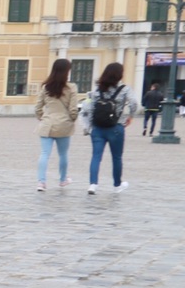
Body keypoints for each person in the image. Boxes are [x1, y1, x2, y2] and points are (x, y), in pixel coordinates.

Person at [31, 57, 78, 192]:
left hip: (47, 123)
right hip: (63, 124)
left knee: (44, 153)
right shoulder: (71, 87)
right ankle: (63, 179)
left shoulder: (46, 87)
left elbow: (38, 108)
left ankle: (41, 182)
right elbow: (73, 109)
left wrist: (43, 118)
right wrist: (72, 120)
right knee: (63, 154)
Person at [85, 61, 132, 195]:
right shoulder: (124, 89)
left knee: (96, 156)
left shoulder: (97, 89)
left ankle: (93, 184)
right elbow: (134, 103)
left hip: (98, 128)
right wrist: (130, 116)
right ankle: (117, 185)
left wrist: (90, 125)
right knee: (116, 157)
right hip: (116, 127)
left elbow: (90, 107)